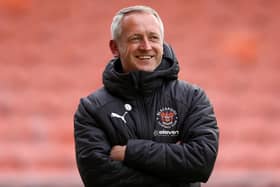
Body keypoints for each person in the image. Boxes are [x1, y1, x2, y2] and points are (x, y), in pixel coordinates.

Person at [74, 5, 219, 187]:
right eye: (135, 38)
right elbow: (99, 178)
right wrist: (177, 176)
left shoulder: (192, 98)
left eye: (153, 38)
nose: (146, 46)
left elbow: (201, 163)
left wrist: (131, 153)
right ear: (115, 47)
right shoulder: (92, 108)